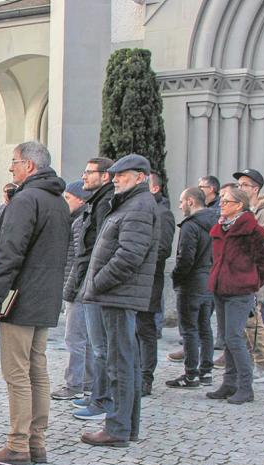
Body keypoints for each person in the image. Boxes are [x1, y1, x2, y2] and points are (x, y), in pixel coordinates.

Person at [0, 142, 70, 465]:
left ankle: (18, 443)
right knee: (37, 369)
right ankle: (37, 440)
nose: (11, 169)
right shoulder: (58, 201)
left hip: (21, 297)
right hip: (46, 296)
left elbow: (9, 254)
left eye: (15, 162)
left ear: (30, 166)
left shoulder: (26, 199)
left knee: (17, 372)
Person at [79, 154, 160, 448]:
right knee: (124, 361)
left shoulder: (138, 206)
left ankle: (117, 427)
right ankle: (125, 426)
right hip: (117, 294)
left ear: (140, 177)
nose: (115, 179)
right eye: (113, 174)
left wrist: (98, 283)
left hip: (118, 294)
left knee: (120, 363)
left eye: (121, 174)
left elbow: (128, 256)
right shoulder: (131, 203)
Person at [207, 185, 264, 404]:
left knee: (235, 338)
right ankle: (229, 383)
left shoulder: (252, 229)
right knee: (226, 338)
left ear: (239, 205)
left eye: (225, 202)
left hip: (240, 291)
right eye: (221, 201)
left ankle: (246, 387)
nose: (221, 205)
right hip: (221, 288)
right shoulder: (221, 227)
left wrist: (251, 281)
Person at [64, 157, 115, 419]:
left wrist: (84, 284)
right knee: (94, 345)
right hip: (89, 281)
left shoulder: (105, 204)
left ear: (105, 176)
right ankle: (95, 394)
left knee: (98, 346)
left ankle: (101, 399)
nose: (84, 176)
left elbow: (89, 254)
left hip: (94, 283)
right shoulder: (97, 204)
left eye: (89, 172)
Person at [165, 186, 216, 388]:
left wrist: (176, 277)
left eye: (181, 201)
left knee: (189, 329)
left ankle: (191, 374)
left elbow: (185, 257)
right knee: (205, 328)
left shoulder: (191, 225)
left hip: (192, 283)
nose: (180, 205)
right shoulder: (215, 221)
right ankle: (206, 372)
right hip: (209, 281)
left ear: (191, 202)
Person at [52, 180, 94, 402]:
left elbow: (79, 261)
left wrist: (69, 289)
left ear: (81, 199)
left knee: (75, 338)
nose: (65, 202)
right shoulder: (78, 220)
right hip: (79, 286)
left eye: (68, 198)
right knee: (83, 338)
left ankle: (75, 384)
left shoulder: (80, 223)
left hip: (78, 288)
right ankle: (86, 382)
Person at [237, 168, 264, 383]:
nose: (240, 188)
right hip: (242, 272)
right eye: (239, 185)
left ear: (255, 189)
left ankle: (262, 364)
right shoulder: (245, 210)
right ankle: (248, 362)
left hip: (257, 272)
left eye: (244, 185)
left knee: (255, 321)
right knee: (247, 320)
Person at [136, 172, 175, 396]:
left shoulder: (163, 214)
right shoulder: (142, 210)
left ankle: (145, 377)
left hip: (149, 281)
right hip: (134, 282)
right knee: (134, 330)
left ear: (155, 189)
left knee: (146, 330)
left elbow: (162, 249)